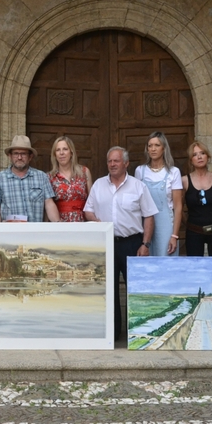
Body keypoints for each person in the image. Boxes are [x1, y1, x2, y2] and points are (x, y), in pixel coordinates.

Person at [84, 146, 158, 342]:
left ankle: (139, 333)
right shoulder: (99, 185)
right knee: (109, 289)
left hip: (132, 243)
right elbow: (88, 210)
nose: (112, 164)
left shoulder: (138, 186)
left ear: (126, 163)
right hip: (106, 243)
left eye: (116, 161)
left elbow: (149, 216)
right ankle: (114, 333)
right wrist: (95, 221)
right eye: (109, 161)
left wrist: (145, 244)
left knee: (136, 288)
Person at [0, 135, 60, 223]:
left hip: (35, 233)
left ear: (30, 156)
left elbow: (49, 204)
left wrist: (57, 223)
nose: (19, 157)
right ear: (10, 156)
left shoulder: (42, 177)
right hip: (9, 234)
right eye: (16, 153)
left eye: (23, 154)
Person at [135, 132, 183, 256]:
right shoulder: (140, 171)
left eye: (157, 145)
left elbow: (178, 207)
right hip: (145, 225)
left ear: (164, 148)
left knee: (166, 264)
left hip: (166, 225)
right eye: (150, 145)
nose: (153, 149)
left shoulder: (173, 172)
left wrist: (174, 235)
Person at [182, 141, 212, 257]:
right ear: (191, 160)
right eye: (195, 155)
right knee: (194, 267)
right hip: (194, 231)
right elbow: (178, 209)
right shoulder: (184, 181)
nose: (199, 157)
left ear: (208, 157)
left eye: (202, 153)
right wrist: (190, 224)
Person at [48, 136, 92, 222]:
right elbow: (48, 205)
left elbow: (92, 201)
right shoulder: (50, 177)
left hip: (83, 223)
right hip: (60, 224)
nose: (61, 153)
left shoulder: (84, 172)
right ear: (54, 155)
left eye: (65, 149)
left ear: (71, 152)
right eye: (58, 150)